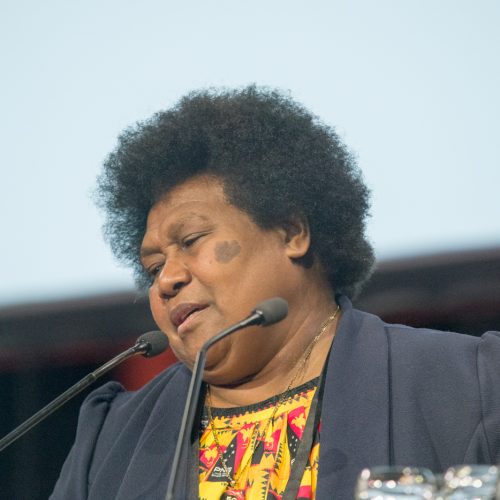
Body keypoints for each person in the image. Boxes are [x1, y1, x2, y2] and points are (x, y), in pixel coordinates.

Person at [50, 86, 500, 500]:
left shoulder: (470, 385)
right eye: (153, 268)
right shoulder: (112, 440)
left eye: (191, 241)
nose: (167, 280)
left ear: (291, 232)